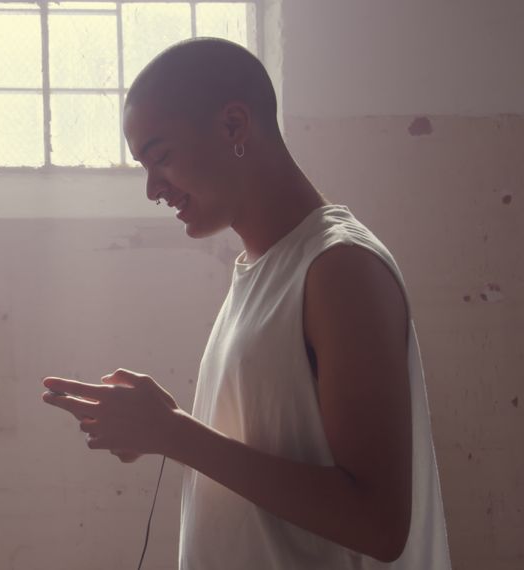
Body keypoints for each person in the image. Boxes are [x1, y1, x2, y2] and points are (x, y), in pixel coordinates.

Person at [42, 38, 450, 569]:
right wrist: (162, 427)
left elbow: (378, 523)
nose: (152, 189)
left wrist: (173, 432)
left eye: (160, 157)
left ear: (234, 125)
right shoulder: (259, 268)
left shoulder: (339, 267)